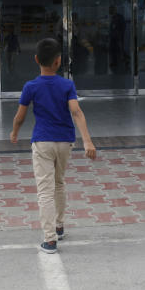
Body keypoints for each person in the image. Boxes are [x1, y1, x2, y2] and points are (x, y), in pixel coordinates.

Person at [10, 38, 97, 254]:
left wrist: (14, 132)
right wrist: (87, 140)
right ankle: (59, 227)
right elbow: (76, 112)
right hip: (65, 142)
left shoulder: (30, 86)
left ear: (36, 59)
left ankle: (50, 240)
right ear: (59, 61)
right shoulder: (67, 85)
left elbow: (20, 116)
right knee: (59, 183)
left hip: (42, 142)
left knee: (45, 191)